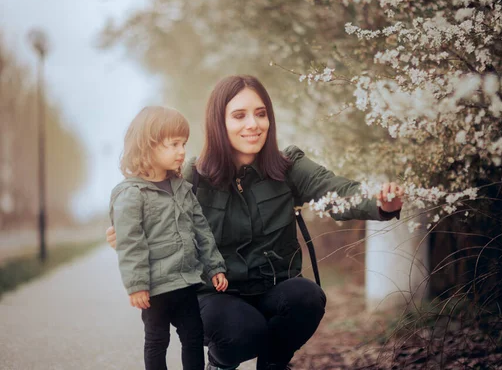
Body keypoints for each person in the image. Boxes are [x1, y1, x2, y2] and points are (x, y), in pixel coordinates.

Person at [107, 75, 404, 370]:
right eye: (239, 115)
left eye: (261, 114)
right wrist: (129, 232)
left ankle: (273, 365)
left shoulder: (288, 166)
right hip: (214, 296)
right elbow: (146, 201)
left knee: (307, 297)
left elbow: (337, 190)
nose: (253, 124)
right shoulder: (191, 176)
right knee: (243, 333)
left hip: (274, 287)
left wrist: (379, 202)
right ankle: (220, 363)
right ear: (218, 123)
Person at [109, 106, 228, 370]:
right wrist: (137, 284)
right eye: (174, 144)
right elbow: (131, 242)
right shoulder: (132, 194)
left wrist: (214, 267)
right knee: (156, 340)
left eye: (183, 143)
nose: (182, 151)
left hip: (185, 281)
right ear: (147, 146)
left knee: (193, 336)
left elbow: (202, 231)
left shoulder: (183, 189)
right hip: (155, 288)